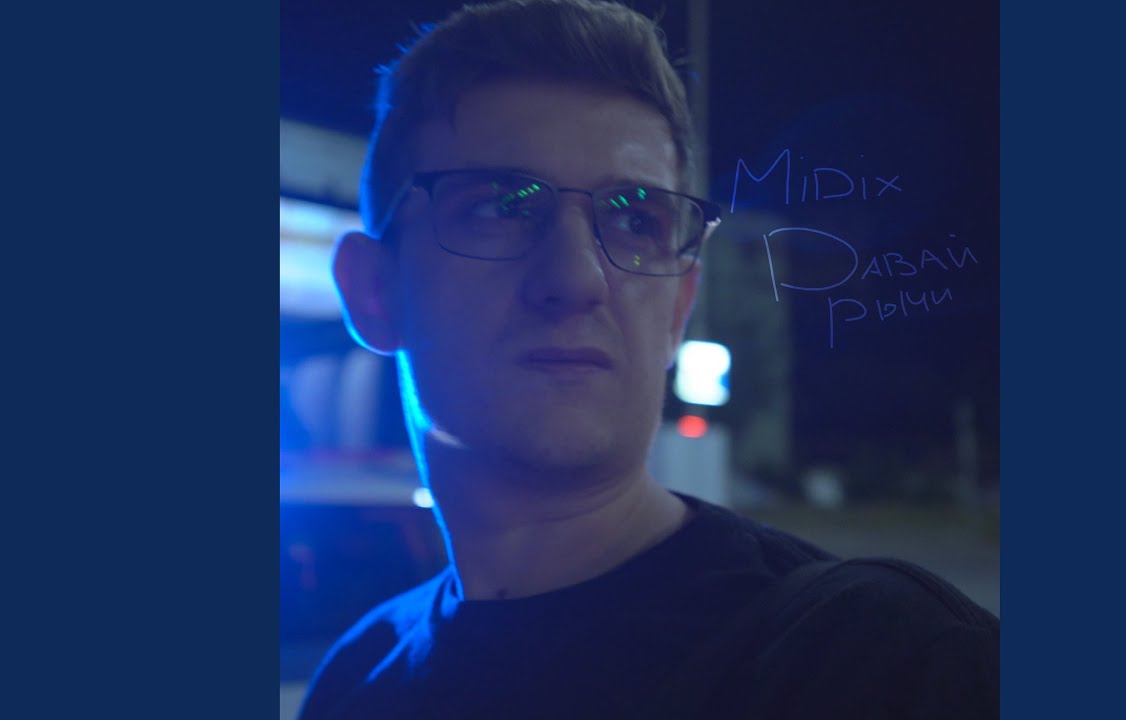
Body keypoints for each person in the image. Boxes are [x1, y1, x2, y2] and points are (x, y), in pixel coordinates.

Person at [298, 1, 999, 718]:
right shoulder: (354, 684)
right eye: (499, 207)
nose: (577, 278)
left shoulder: (888, 665)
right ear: (373, 290)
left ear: (677, 309)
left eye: (636, 220)